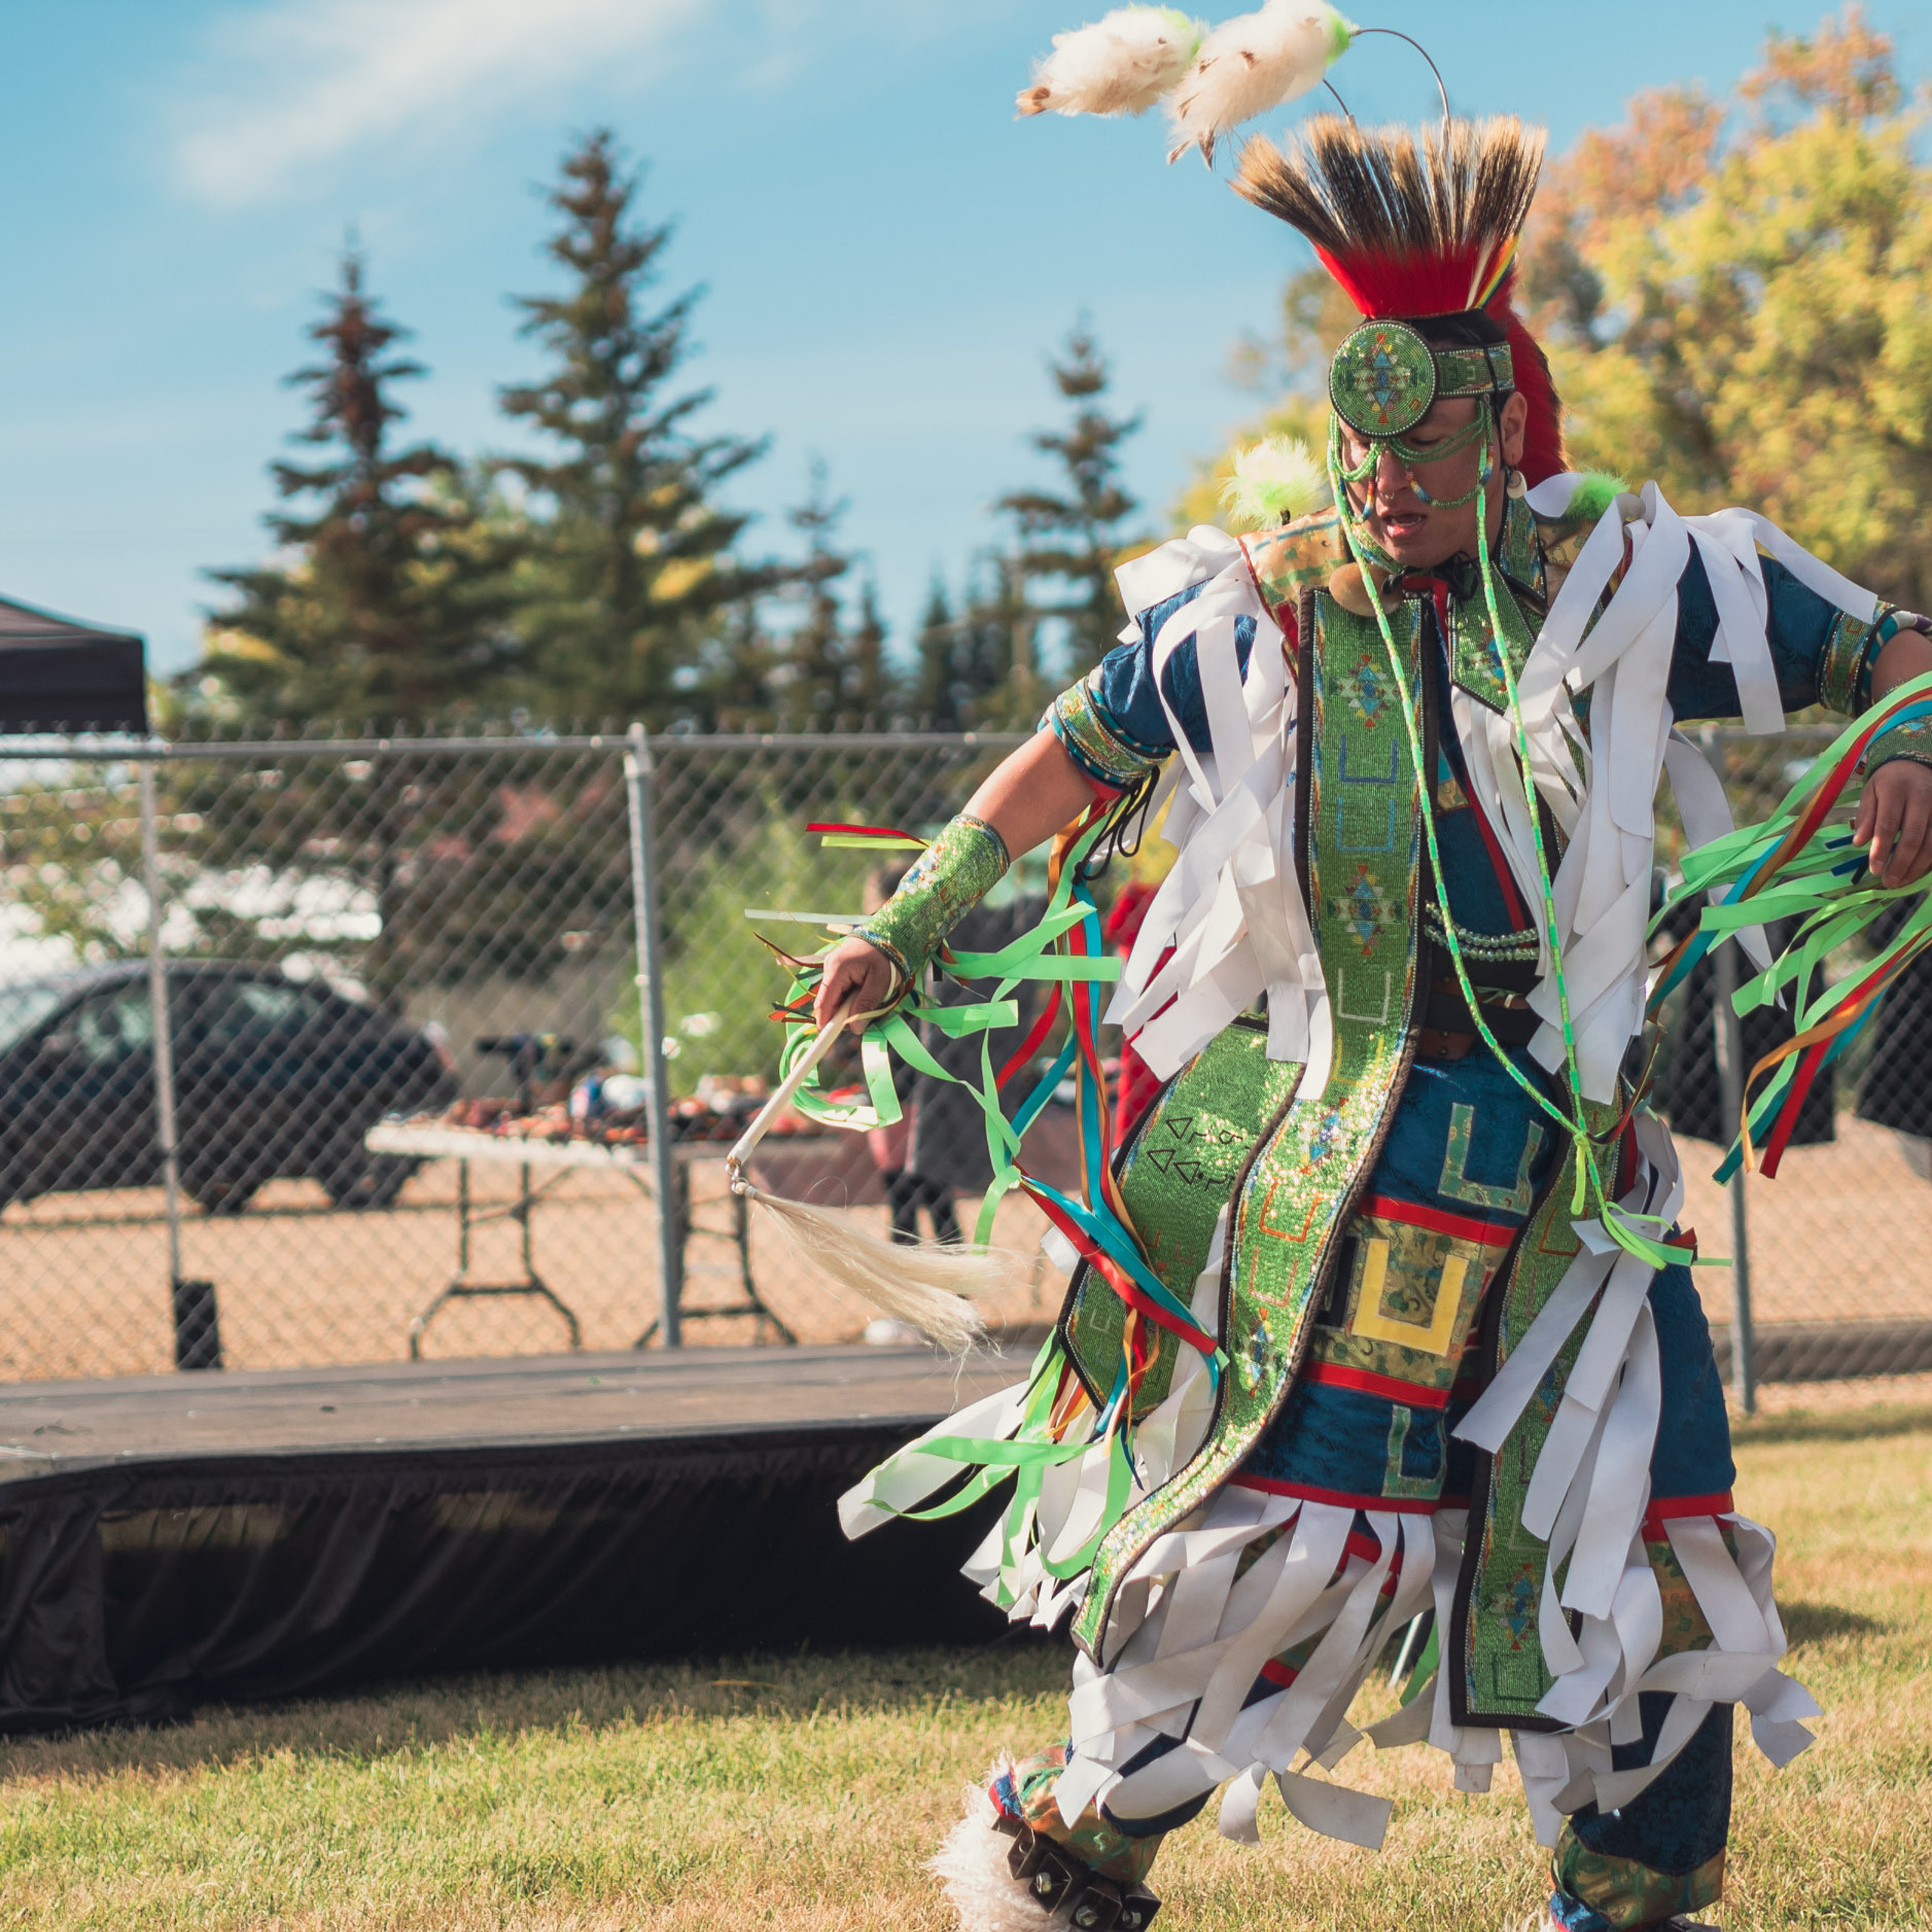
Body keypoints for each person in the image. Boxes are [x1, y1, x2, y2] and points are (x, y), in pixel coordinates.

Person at [808, 94, 1932, 1932]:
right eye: (1359, 444)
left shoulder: (1634, 590)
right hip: (1349, 1170)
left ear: (1510, 431)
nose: (1388, 477)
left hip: (1578, 1188)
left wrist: (1903, 733)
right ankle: (1070, 1849)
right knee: (1281, 1547)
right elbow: (1066, 758)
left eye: (1428, 441)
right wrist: (918, 915)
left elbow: (1884, 642)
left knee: (1637, 1543)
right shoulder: (1259, 612)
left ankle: (1628, 1894)